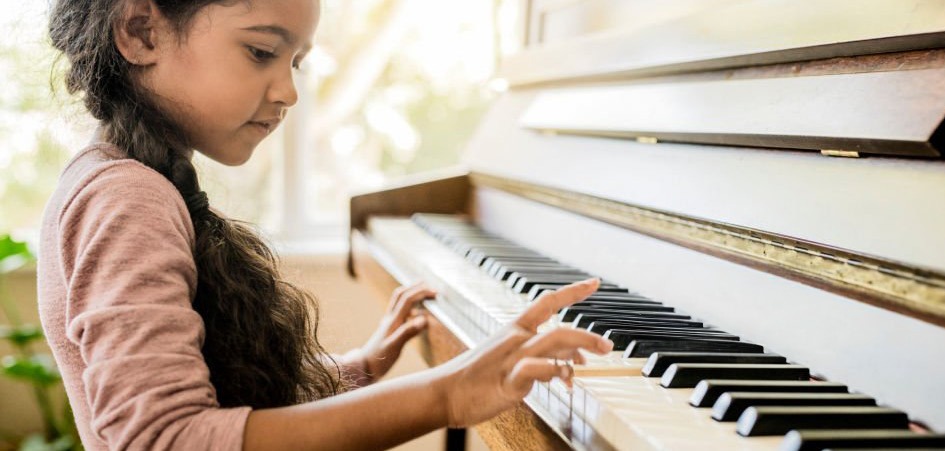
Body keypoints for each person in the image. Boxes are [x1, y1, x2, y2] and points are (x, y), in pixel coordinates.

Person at [38, 0, 614, 449]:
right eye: (262, 51)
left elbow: (220, 399)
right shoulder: (127, 198)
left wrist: (356, 367)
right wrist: (448, 394)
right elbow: (168, 439)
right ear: (141, 31)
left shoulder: (126, 180)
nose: (289, 91)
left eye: (296, 63)